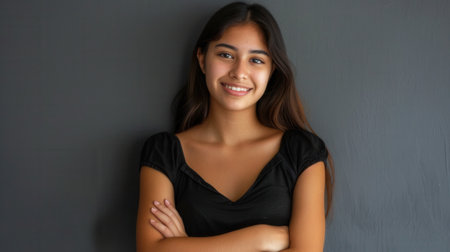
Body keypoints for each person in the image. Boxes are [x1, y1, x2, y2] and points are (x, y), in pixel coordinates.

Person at [136, 2, 335, 251]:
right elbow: (150, 250)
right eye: (226, 55)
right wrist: (258, 238)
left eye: (256, 60)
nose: (239, 72)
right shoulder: (164, 153)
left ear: (272, 70)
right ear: (201, 59)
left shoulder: (302, 152)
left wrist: (185, 245)